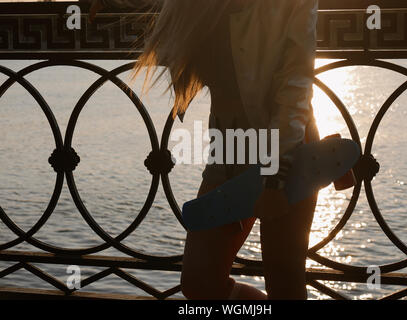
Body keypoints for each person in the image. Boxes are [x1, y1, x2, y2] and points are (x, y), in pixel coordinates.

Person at [89, 0, 320, 299]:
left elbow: (296, 85)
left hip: (287, 150)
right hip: (229, 150)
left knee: (284, 284)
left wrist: (276, 174)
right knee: (200, 282)